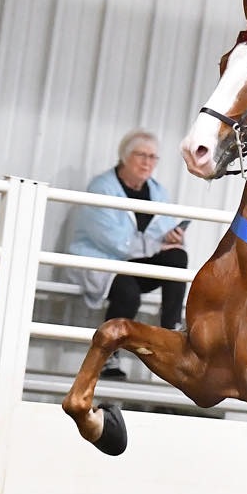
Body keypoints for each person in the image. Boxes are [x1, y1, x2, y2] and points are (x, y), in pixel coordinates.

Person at [67, 129, 188, 378]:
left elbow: (164, 234)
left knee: (177, 256)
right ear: (124, 156)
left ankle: (172, 333)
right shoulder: (101, 188)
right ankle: (109, 354)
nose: (147, 162)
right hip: (105, 262)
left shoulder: (158, 191)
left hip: (136, 262)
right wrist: (157, 243)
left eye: (153, 157)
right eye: (141, 155)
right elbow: (113, 242)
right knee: (127, 290)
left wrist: (172, 238)